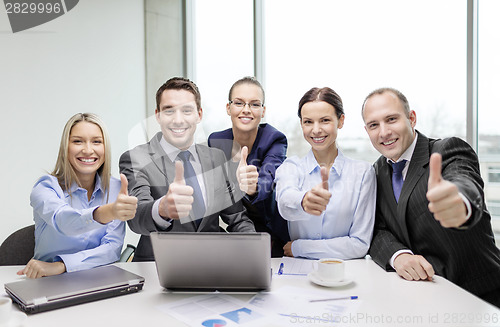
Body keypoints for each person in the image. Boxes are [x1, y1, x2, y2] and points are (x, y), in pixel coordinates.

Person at [362, 87, 500, 307]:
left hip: (481, 297)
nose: (384, 132)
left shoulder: (447, 150)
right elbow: (377, 228)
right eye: (374, 125)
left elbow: (463, 180)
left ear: (412, 118)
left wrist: (459, 202)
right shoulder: (376, 172)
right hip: (424, 298)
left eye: (391, 119)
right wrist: (398, 255)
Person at [119, 77, 255, 262]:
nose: (178, 120)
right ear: (157, 115)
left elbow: (237, 218)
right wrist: (162, 209)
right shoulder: (137, 158)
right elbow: (137, 218)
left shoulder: (216, 158)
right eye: (169, 111)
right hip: (158, 268)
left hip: (213, 266)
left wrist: (254, 252)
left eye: (187, 110)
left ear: (199, 115)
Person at [17, 113, 137, 279]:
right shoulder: (45, 187)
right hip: (47, 280)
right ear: (65, 147)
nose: (88, 150)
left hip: (97, 279)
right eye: (77, 141)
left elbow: (112, 249)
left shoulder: (116, 188)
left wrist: (62, 265)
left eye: (96, 141)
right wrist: (108, 212)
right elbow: (64, 222)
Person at [275, 87, 376, 259]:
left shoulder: (363, 173)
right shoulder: (291, 167)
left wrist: (300, 248)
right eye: (308, 122)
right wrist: (304, 200)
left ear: (341, 121)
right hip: (299, 275)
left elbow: (359, 243)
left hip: (347, 273)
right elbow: (285, 203)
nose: (316, 130)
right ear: (301, 124)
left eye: (324, 120)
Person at [208, 76, 289, 257]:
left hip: (271, 233)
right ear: (228, 108)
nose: (246, 110)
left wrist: (254, 187)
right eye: (239, 103)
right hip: (235, 232)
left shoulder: (275, 139)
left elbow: (270, 175)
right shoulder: (216, 141)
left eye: (254, 104)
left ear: (263, 110)